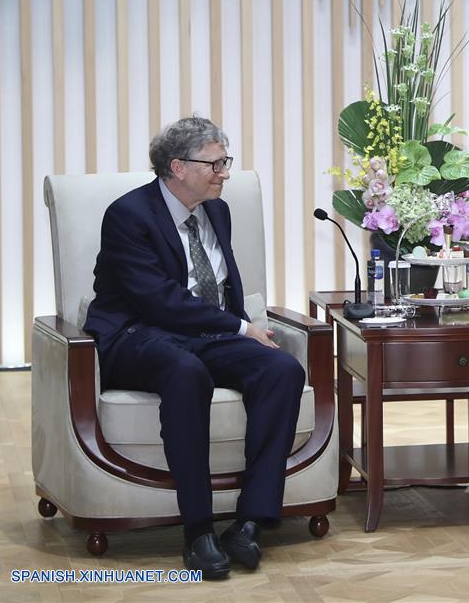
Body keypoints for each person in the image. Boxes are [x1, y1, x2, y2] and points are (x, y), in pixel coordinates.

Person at [83, 116, 304, 578]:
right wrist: (241, 328)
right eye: (216, 163)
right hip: (138, 333)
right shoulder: (129, 214)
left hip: (203, 334)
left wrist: (243, 331)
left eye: (227, 161)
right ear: (178, 167)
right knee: (186, 372)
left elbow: (222, 286)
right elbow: (159, 300)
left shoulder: (217, 210)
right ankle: (198, 530)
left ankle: (250, 520)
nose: (225, 172)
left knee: (281, 369)